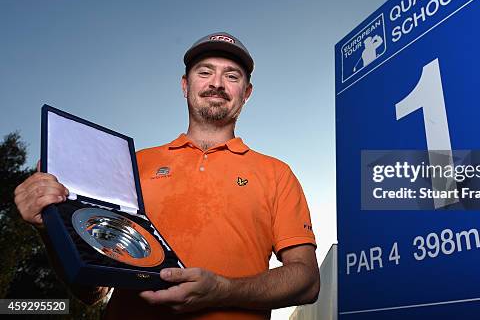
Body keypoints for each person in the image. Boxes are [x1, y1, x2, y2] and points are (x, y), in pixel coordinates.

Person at [13, 32, 320, 319]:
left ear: (247, 93)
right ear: (185, 85)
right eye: (205, 72)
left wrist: (224, 291)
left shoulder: (276, 173)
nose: (217, 83)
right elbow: (93, 290)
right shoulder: (133, 165)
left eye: (232, 76)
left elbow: (307, 281)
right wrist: (50, 225)